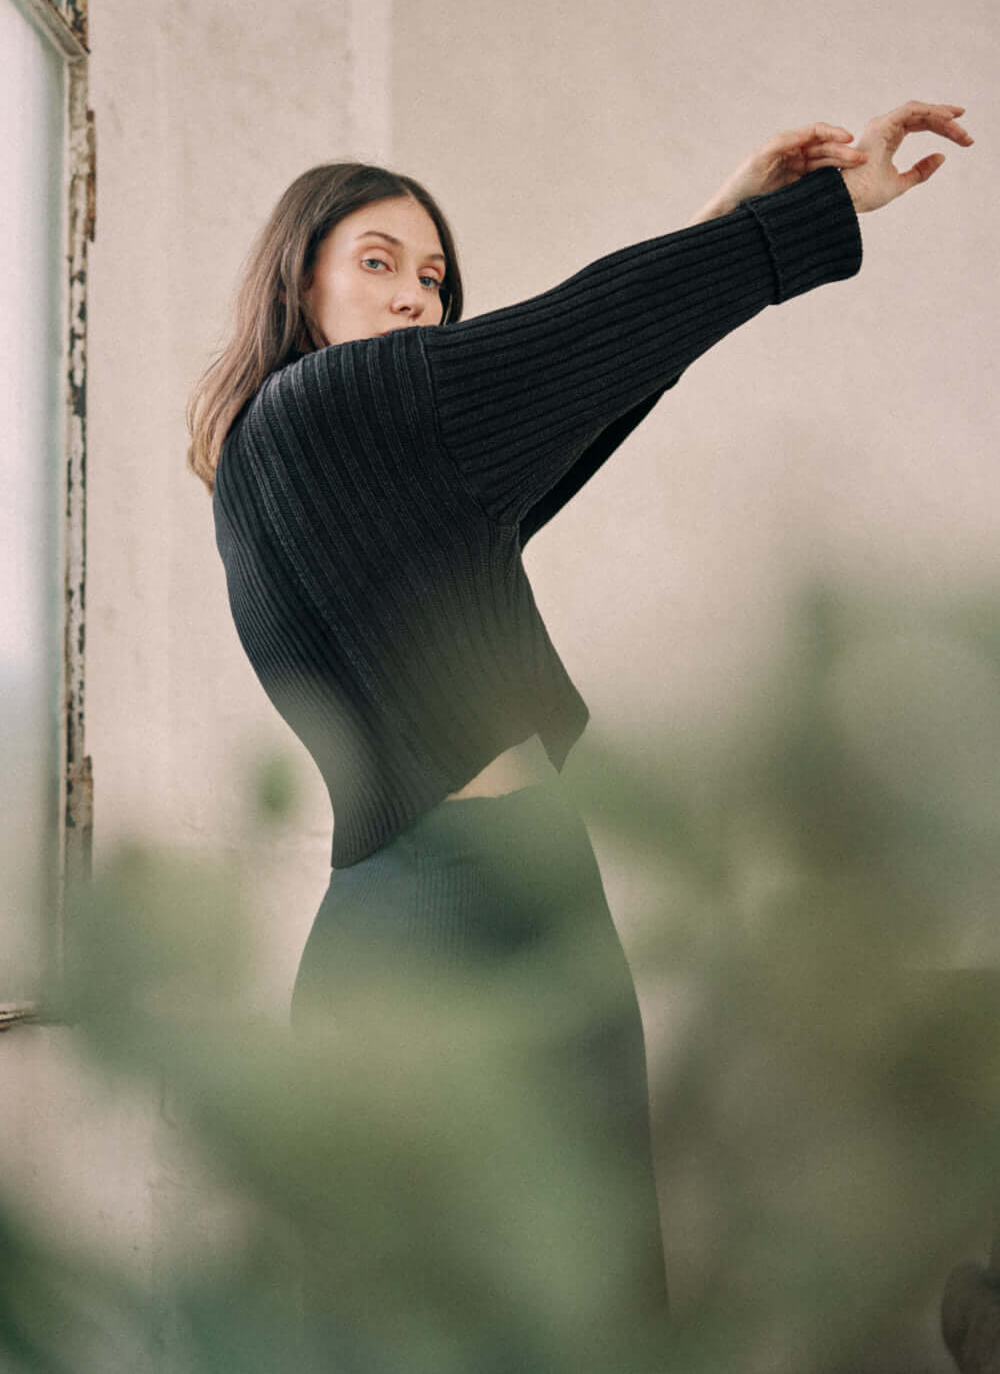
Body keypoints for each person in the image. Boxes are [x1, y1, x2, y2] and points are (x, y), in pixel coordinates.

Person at [186, 100, 972, 1371]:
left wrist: (732, 223)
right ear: (299, 284)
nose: (413, 299)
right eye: (376, 261)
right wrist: (817, 217)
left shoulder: (297, 459)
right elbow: (582, 338)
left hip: (432, 910)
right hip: (467, 918)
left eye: (433, 277)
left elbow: (590, 382)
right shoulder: (339, 406)